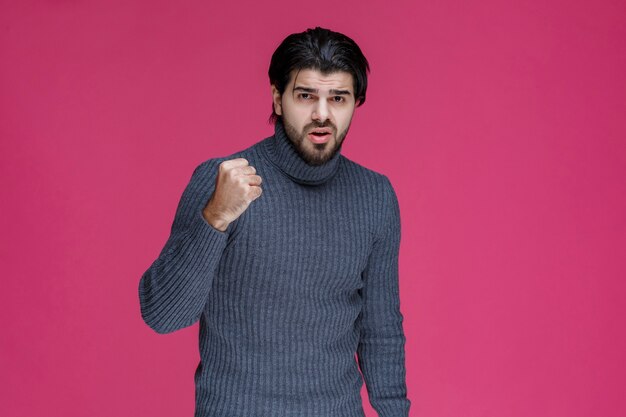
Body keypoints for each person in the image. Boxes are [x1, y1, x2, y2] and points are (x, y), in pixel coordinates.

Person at [138, 26, 411, 417]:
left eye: (338, 98)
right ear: (277, 99)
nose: (322, 114)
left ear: (356, 103)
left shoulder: (374, 195)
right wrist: (215, 217)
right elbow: (163, 316)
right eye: (305, 96)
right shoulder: (225, 180)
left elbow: (381, 329)